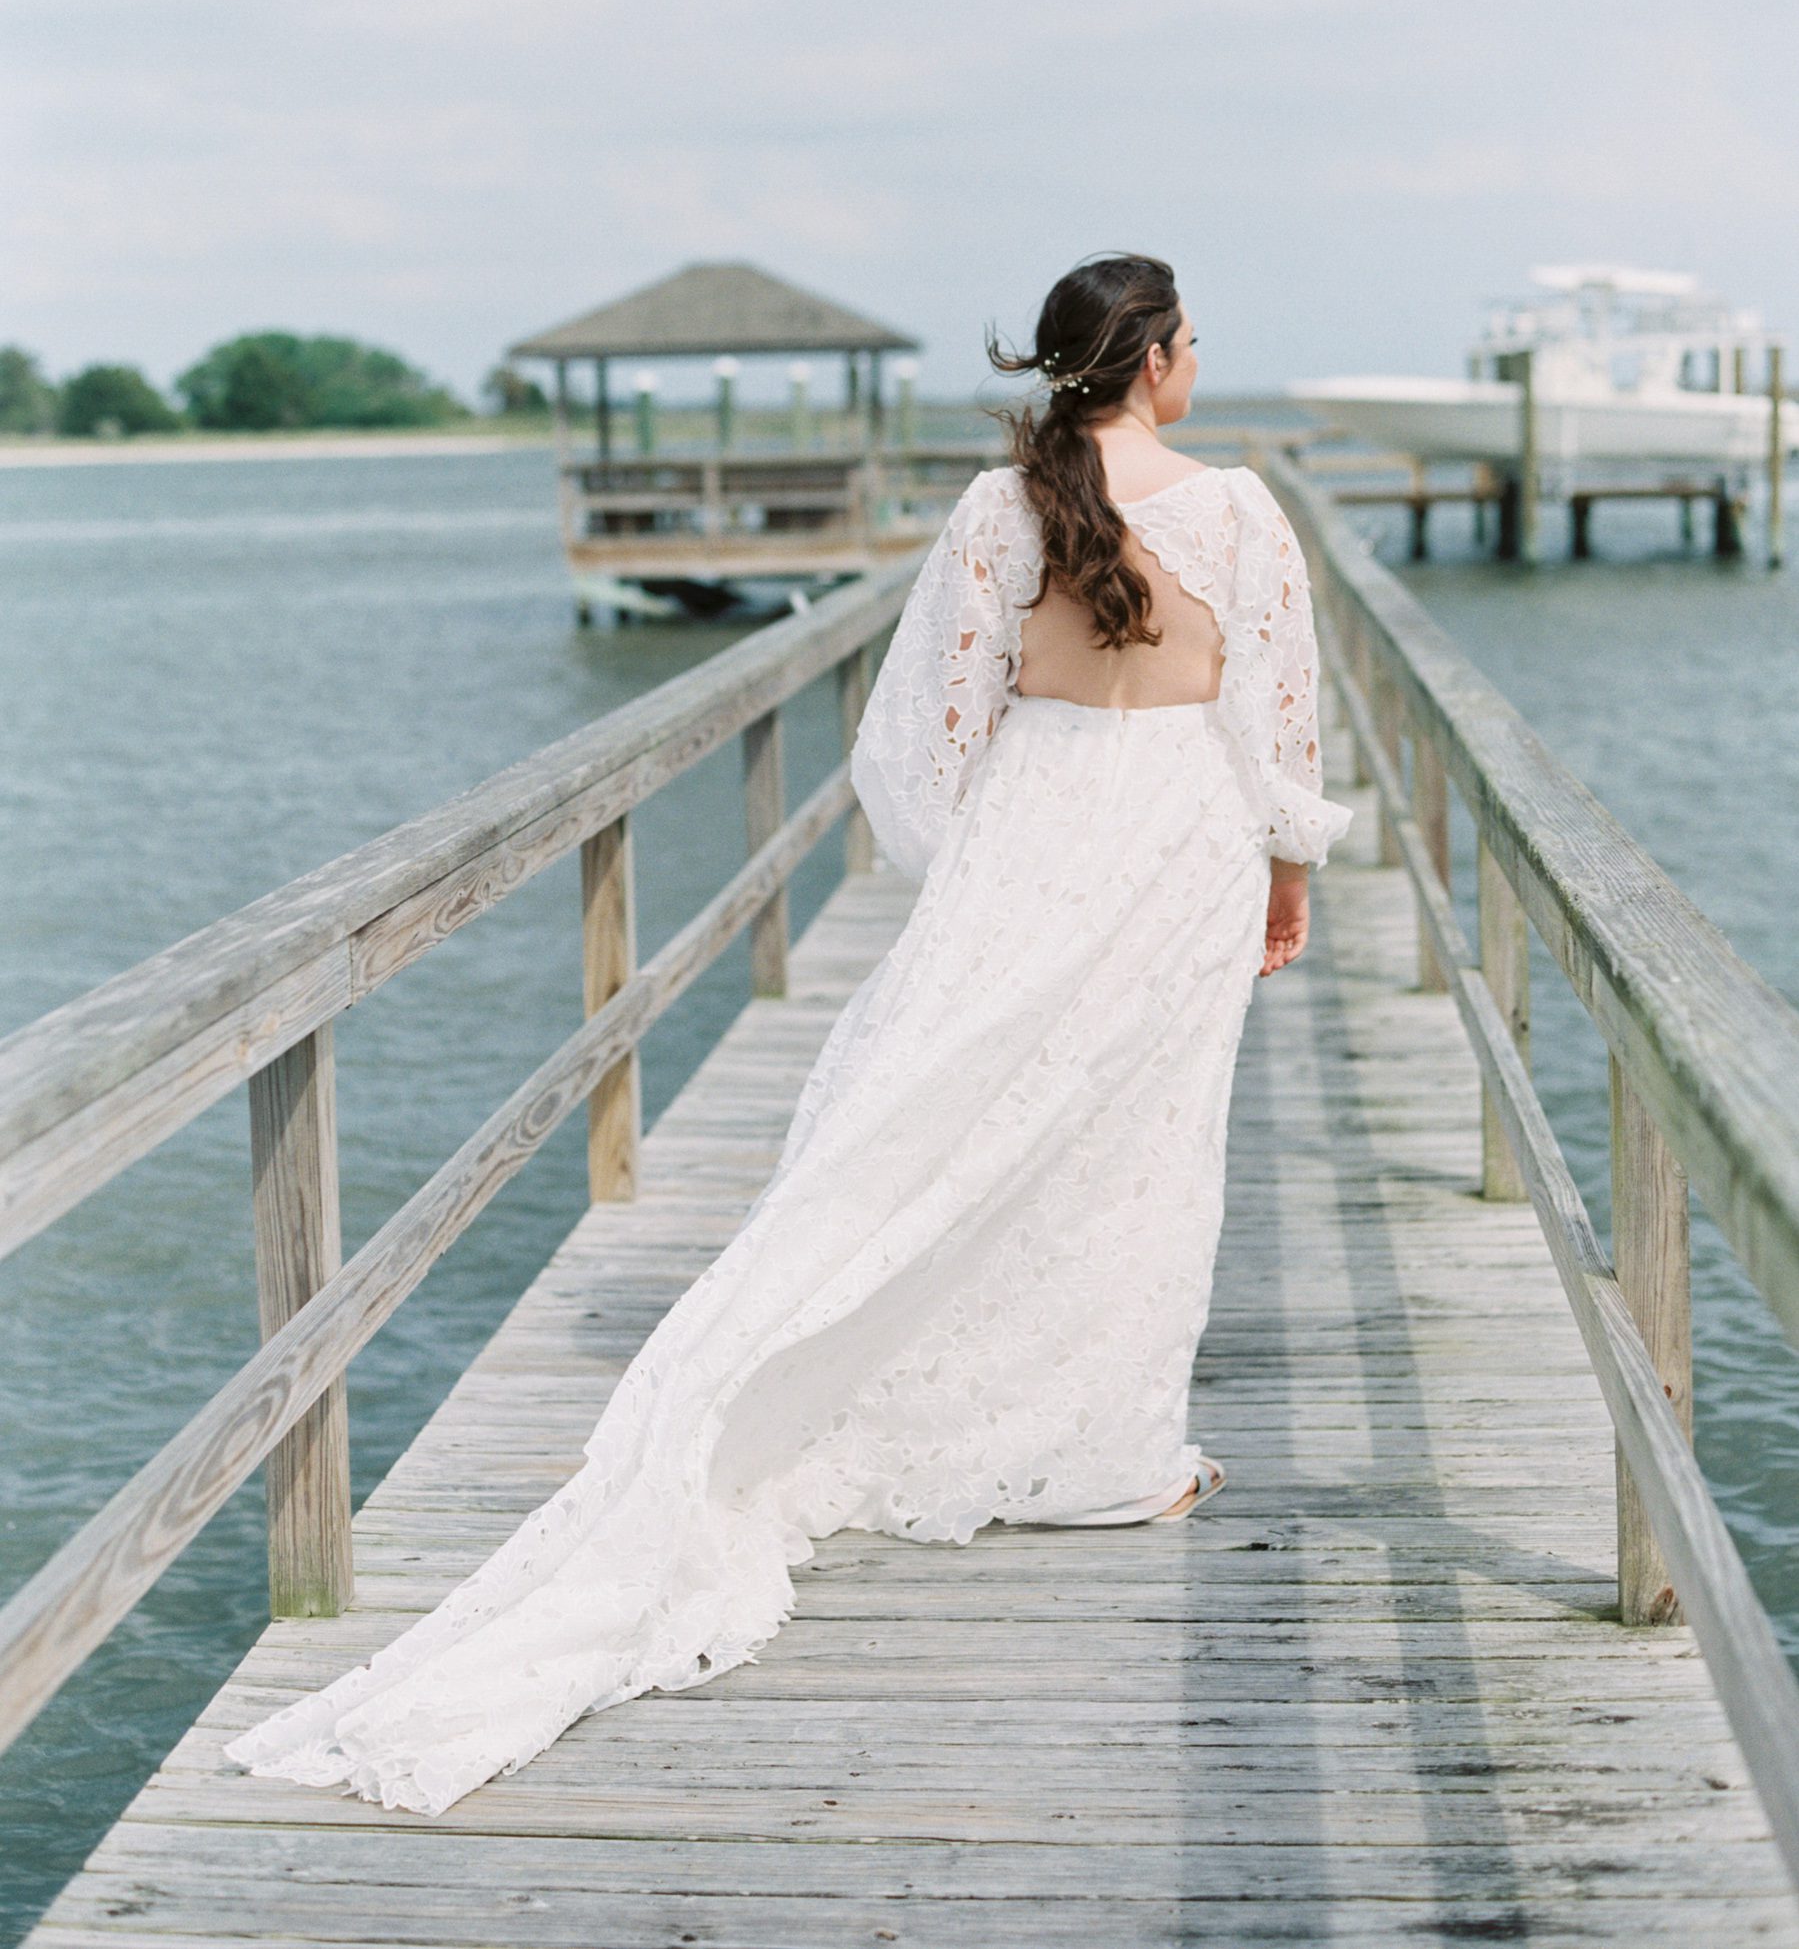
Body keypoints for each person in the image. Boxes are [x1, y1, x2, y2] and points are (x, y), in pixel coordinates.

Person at [222, 251, 1351, 1818]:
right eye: (1191, 340)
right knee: (1144, 1146)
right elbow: (1276, 719)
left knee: (967, 1131)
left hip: (1038, 834)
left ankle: (1063, 1433)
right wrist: (1288, 868)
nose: (1198, 361)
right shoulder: (1238, 510)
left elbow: (927, 738)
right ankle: (1118, 1451)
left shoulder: (993, 508)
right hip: (1180, 848)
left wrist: (995, 875)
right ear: (1151, 358)